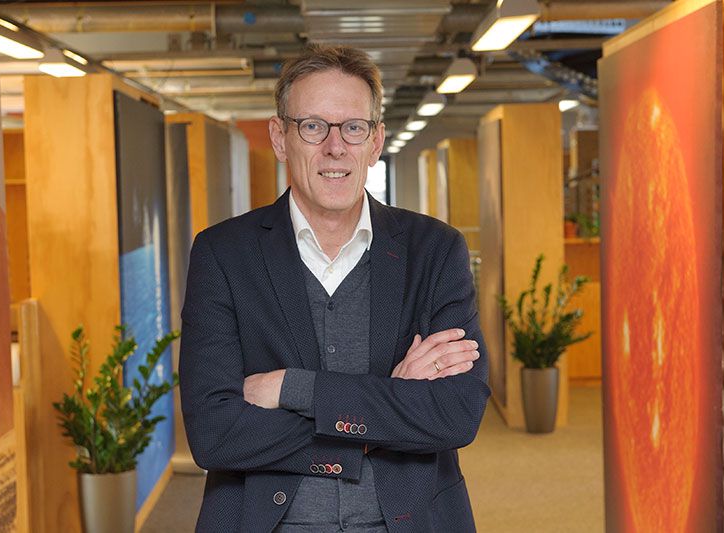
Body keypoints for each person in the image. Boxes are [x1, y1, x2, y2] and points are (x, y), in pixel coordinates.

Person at [179, 44, 490, 533]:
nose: (335, 147)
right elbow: (214, 433)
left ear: (375, 141)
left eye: (353, 127)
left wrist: (291, 388)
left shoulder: (435, 251)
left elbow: (456, 414)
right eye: (313, 126)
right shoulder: (223, 254)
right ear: (280, 137)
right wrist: (387, 406)